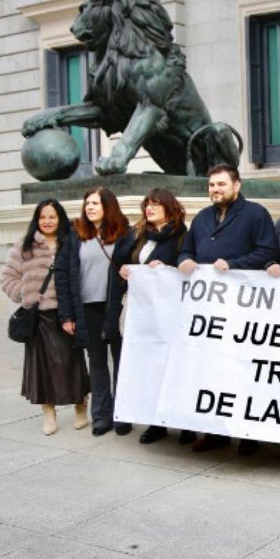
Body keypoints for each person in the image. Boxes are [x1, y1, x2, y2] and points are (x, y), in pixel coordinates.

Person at [179, 164, 280, 454]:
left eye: (221, 184)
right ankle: (215, 431)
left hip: (243, 310)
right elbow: (187, 249)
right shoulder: (201, 218)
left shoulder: (255, 214)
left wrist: (233, 265)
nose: (215, 190)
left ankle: (248, 434)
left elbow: (267, 252)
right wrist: (185, 259)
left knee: (243, 371)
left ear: (236, 186)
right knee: (212, 371)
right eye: (212, 185)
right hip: (209, 312)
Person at [105, 188, 194, 446]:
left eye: (155, 204)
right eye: (147, 204)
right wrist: (123, 270)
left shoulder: (181, 236)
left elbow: (189, 267)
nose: (149, 209)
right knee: (150, 366)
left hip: (169, 315)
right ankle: (156, 423)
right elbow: (118, 263)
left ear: (169, 207)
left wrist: (168, 269)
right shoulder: (137, 235)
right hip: (142, 313)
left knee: (173, 367)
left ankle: (183, 425)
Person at [0, 200, 90, 436]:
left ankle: (81, 405)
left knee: (72, 363)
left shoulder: (70, 242)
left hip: (66, 313)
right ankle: (48, 413)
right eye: (42, 217)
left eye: (52, 216)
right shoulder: (25, 246)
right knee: (42, 369)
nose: (47, 221)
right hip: (39, 317)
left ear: (60, 218)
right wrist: (25, 293)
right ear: (36, 220)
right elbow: (7, 278)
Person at [56, 186, 129, 437]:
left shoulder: (125, 234)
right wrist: (66, 315)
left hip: (117, 309)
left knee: (121, 362)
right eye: (87, 203)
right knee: (97, 364)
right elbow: (63, 277)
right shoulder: (75, 235)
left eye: (95, 203)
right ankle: (101, 417)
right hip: (87, 309)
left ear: (108, 206)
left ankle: (122, 415)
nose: (90, 207)